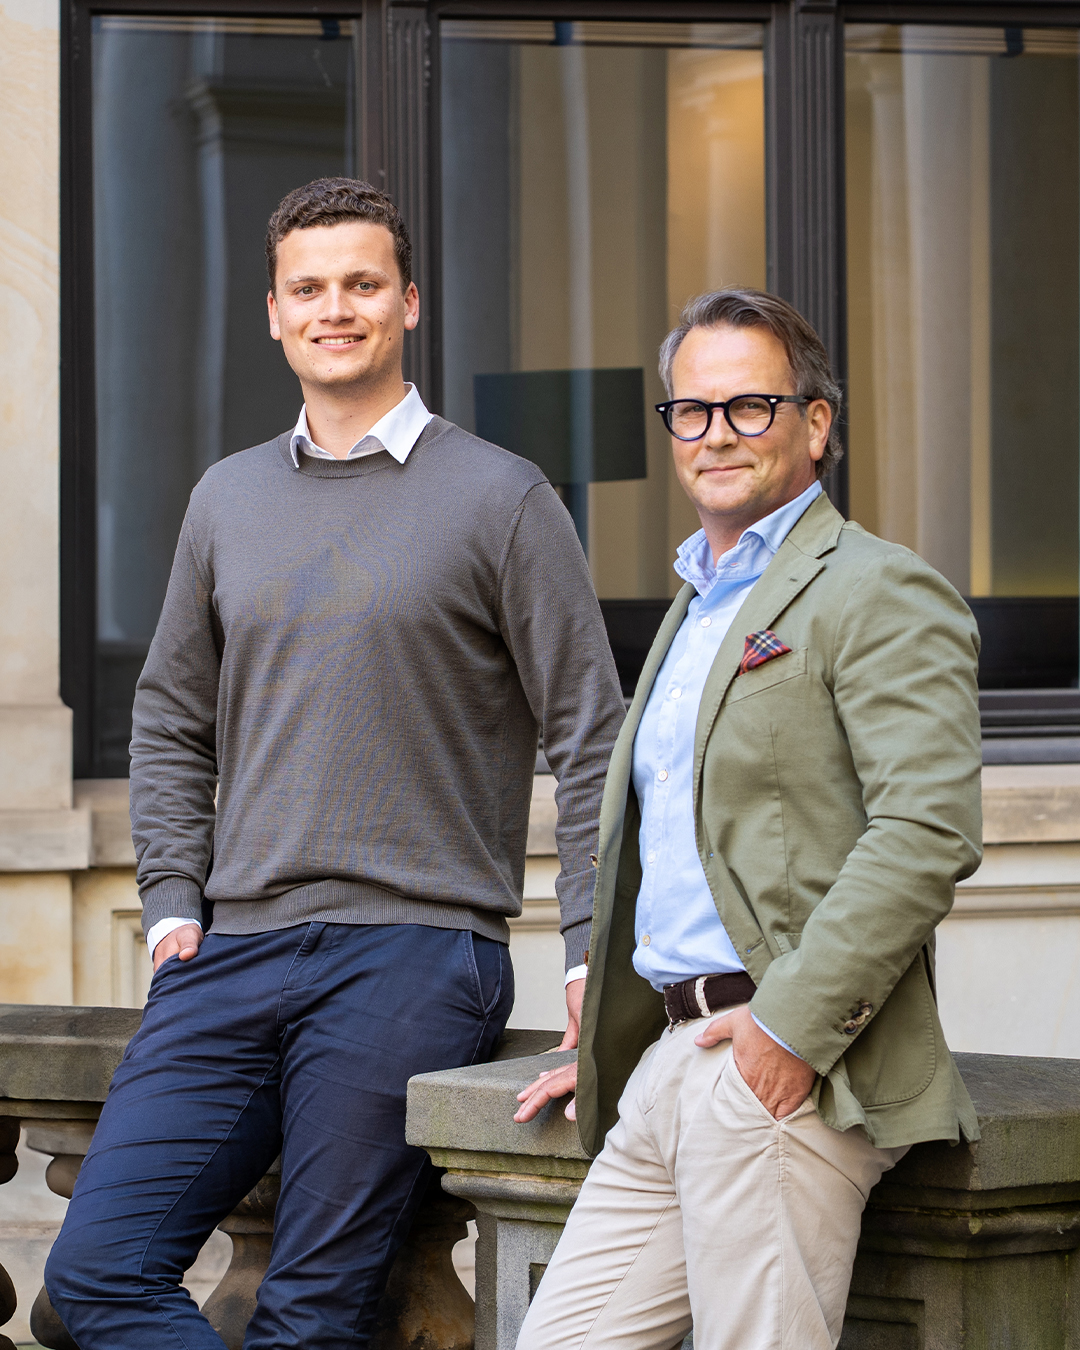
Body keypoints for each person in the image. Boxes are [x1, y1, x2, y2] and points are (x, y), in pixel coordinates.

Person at [45, 177, 624, 1350]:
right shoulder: (227, 497)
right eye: (308, 289)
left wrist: (588, 950)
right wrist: (171, 901)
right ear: (274, 313)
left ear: (408, 301)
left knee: (313, 1317)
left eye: (363, 283)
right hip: (230, 948)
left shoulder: (504, 497)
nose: (335, 308)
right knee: (97, 1274)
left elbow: (594, 736)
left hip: (415, 951)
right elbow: (169, 714)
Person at [513, 288, 982, 1350]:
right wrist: (616, 1036)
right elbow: (675, 846)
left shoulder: (879, 589)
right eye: (692, 410)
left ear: (815, 423)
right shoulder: (697, 603)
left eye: (750, 406)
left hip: (782, 1068)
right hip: (669, 1059)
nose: (716, 433)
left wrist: (786, 1034)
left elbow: (926, 831)